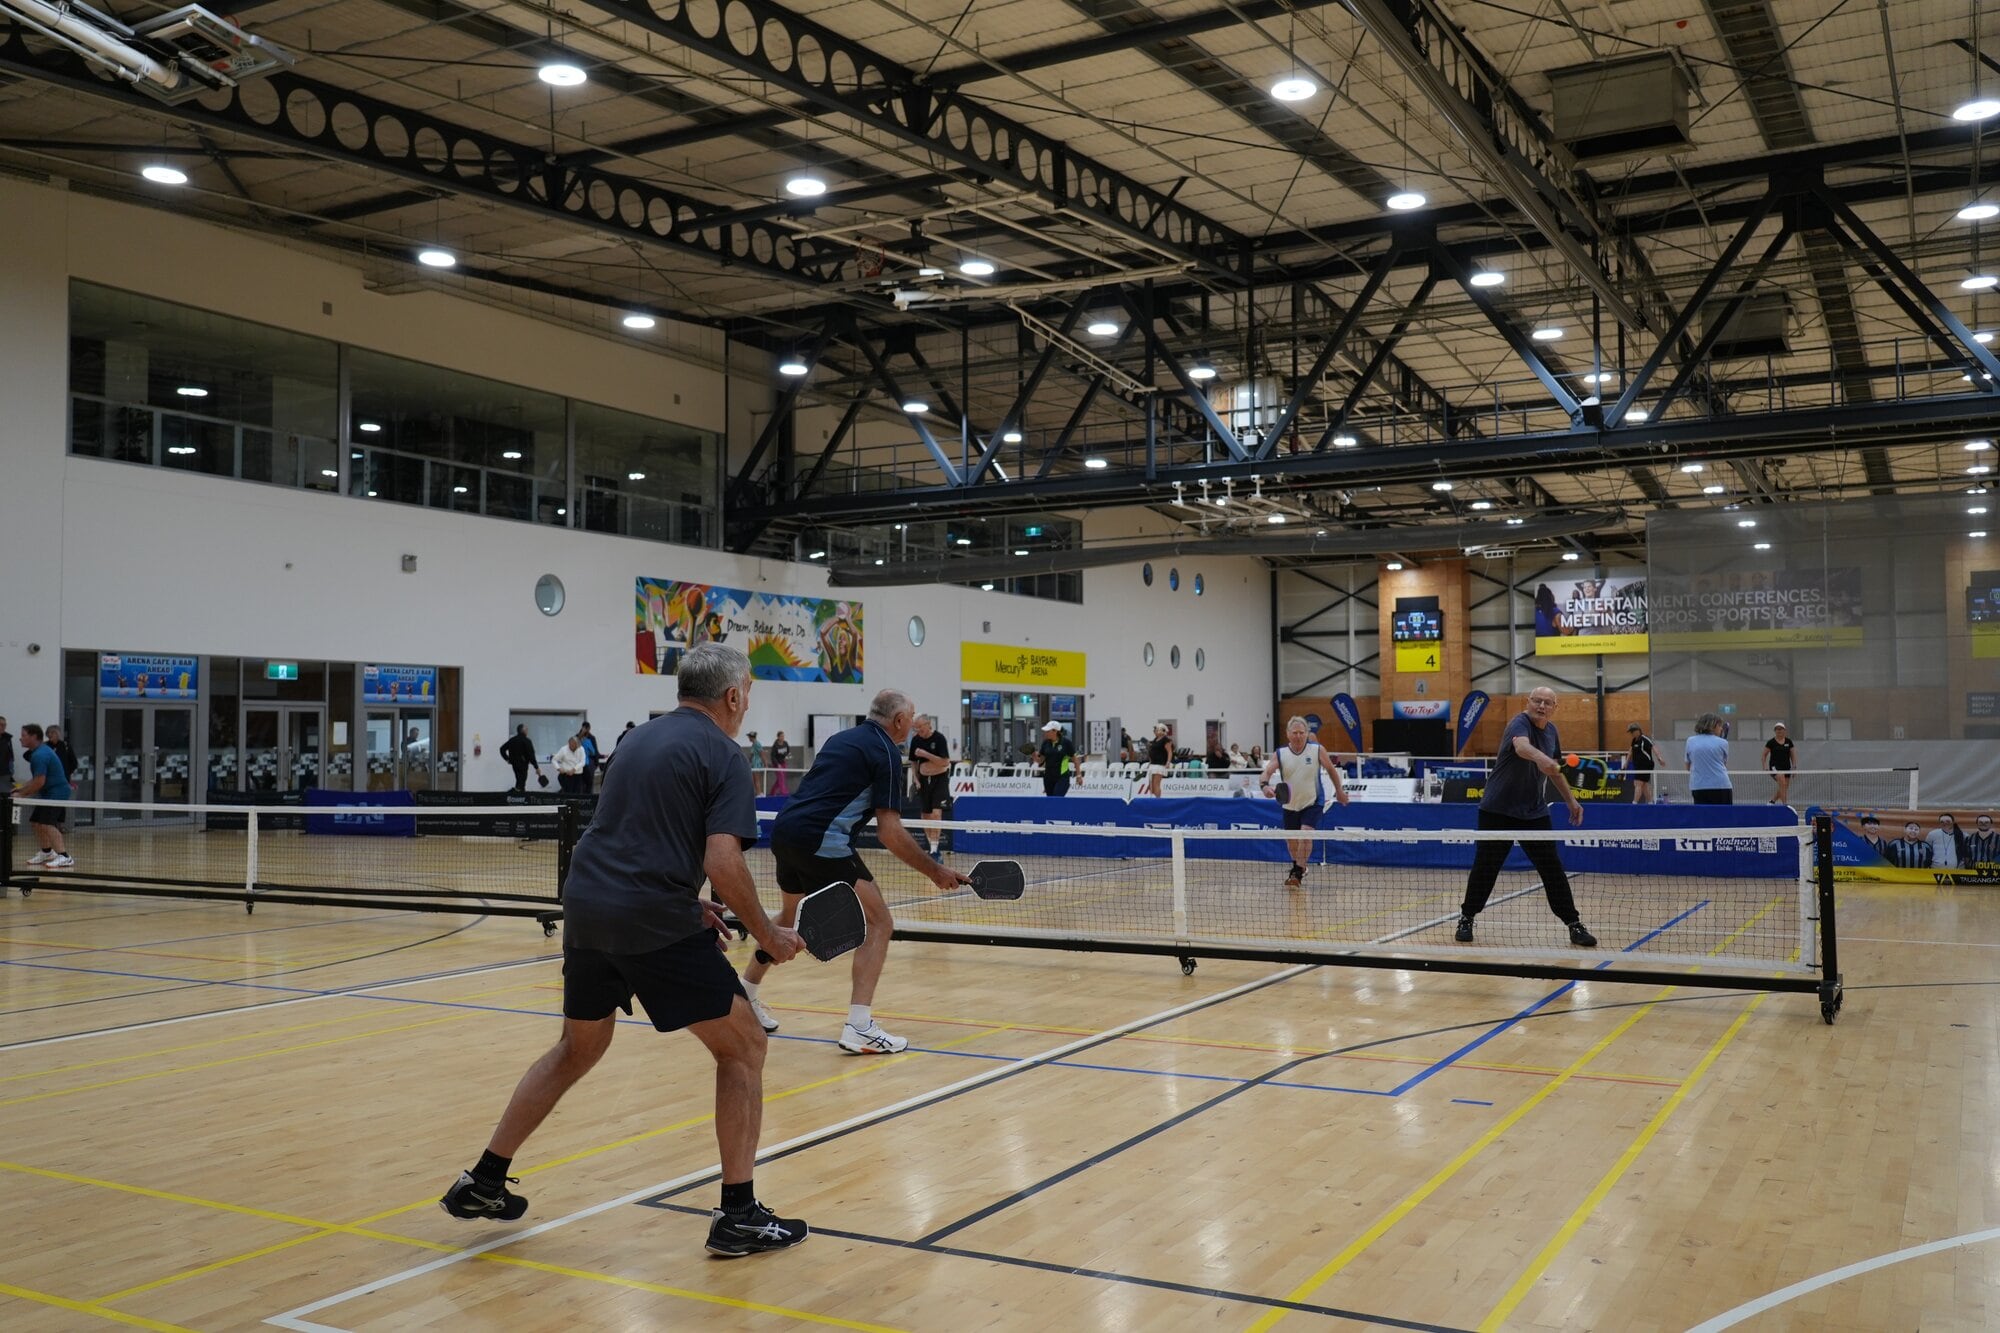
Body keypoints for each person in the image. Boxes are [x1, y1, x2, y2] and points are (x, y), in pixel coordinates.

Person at [438, 644, 810, 1256]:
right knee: (745, 1045)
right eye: (748, 694)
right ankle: (739, 1213)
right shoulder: (723, 753)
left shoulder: (636, 740)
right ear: (734, 696)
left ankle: (483, 1179)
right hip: (648, 916)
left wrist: (690, 902)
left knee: (577, 1047)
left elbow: (630, 835)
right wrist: (768, 935)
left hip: (588, 906)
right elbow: (723, 858)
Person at [739, 691, 969, 1052]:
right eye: (911, 717)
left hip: (786, 831)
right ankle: (860, 1026)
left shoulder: (842, 738)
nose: (912, 724)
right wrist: (935, 870)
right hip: (822, 840)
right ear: (898, 722)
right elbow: (890, 832)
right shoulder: (887, 754)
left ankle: (744, 996)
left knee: (788, 917)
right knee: (879, 922)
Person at [1453, 688, 1597, 948]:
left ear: (1555, 707)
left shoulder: (1552, 732)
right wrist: (1545, 760)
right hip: (1497, 809)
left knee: (1552, 869)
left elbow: (1554, 772)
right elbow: (1522, 748)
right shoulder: (1518, 723)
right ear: (1528, 702)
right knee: (1486, 868)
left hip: (1533, 811)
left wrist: (1571, 800)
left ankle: (1574, 924)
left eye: (1547, 702)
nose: (1541, 705)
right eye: (1537, 700)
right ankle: (1466, 917)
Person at [1259, 717, 1350, 888]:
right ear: (1288, 734)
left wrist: (1339, 791)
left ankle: (1298, 873)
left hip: (1313, 801)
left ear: (1307, 734)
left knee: (1306, 833)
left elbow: (1331, 769)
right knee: (1292, 841)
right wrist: (1265, 787)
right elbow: (1266, 773)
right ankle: (1300, 866)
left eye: (1302, 733)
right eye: (1295, 733)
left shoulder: (1317, 750)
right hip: (1290, 804)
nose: (1298, 736)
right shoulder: (1280, 753)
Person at [12, 723, 75, 869]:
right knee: (36, 822)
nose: (20, 739)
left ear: (34, 737)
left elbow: (40, 782)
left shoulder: (40, 755)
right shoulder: (38, 752)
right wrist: (20, 789)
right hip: (48, 793)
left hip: (58, 792)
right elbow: (36, 779)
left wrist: (22, 794)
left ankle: (65, 856)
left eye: (23, 735)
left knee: (47, 823)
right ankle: (47, 852)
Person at [908, 715, 952, 857]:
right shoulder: (915, 740)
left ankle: (935, 849)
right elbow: (914, 762)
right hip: (923, 780)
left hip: (940, 779)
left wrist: (926, 754)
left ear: (928, 724)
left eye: (920, 726)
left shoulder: (939, 739)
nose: (918, 730)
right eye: (915, 727)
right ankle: (931, 846)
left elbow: (945, 762)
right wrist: (915, 778)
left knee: (936, 813)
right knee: (925, 815)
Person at [1686, 713, 1733, 804]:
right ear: (1712, 726)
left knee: (1702, 817)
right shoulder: (1723, 743)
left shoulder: (1690, 741)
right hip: (1721, 786)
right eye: (1719, 725)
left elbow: (1688, 767)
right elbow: (1724, 764)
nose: (1721, 728)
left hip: (1698, 787)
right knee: (1724, 817)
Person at [1035, 720, 1076, 797]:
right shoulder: (1045, 743)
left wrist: (1079, 775)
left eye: (1048, 731)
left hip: (1062, 777)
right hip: (1048, 777)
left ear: (1055, 731)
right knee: (1050, 801)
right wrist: (1033, 755)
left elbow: (1075, 759)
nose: (1045, 733)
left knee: (1057, 799)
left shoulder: (1066, 743)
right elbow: (1040, 761)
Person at [499, 724, 542, 793]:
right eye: (527, 730)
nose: (527, 731)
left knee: (519, 781)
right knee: (521, 782)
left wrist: (507, 759)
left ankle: (519, 797)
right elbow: (531, 755)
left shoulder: (512, 740)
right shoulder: (527, 741)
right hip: (523, 764)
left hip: (514, 764)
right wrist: (536, 767)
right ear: (523, 730)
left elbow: (502, 749)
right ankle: (515, 795)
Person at [1763, 723, 1796, 805]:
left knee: (1784, 786)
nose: (1779, 731)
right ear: (1775, 731)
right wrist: (1765, 767)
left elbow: (1793, 755)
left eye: (1781, 729)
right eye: (1777, 729)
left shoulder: (1789, 742)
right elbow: (1764, 755)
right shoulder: (1771, 742)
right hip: (1775, 766)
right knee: (1782, 782)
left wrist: (1794, 767)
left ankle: (1772, 801)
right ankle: (1784, 805)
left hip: (1786, 766)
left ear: (1784, 731)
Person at [1626, 722, 1657, 805]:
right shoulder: (1634, 740)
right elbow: (1631, 751)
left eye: (1632, 732)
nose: (1631, 734)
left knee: (1637, 783)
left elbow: (1653, 746)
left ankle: (1634, 803)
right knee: (1644, 786)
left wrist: (1659, 758)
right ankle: (1651, 803)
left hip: (1646, 765)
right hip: (1638, 765)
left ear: (1637, 731)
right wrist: (1626, 762)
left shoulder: (1644, 739)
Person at [1142, 724, 1171, 797]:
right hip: (1153, 764)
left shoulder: (1165, 740)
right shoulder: (1155, 739)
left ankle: (1158, 800)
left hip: (1160, 764)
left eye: (1156, 729)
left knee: (1156, 784)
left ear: (1161, 730)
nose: (1154, 731)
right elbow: (1152, 751)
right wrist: (1150, 761)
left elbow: (1169, 752)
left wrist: (1168, 762)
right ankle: (1153, 798)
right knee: (1151, 785)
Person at [577, 722, 600, 792]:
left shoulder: (576, 738)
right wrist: (596, 763)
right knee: (589, 782)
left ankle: (580, 797)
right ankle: (588, 798)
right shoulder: (589, 739)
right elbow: (594, 752)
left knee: (580, 782)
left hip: (578, 763)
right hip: (588, 763)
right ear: (589, 728)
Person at [768, 730, 792, 796]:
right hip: (776, 764)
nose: (783, 737)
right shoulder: (775, 746)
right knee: (781, 777)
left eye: (783, 736)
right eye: (781, 736)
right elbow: (772, 756)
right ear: (778, 737)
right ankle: (783, 792)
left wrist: (787, 756)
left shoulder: (785, 743)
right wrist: (777, 764)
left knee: (781, 778)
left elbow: (788, 752)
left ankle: (772, 792)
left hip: (783, 762)